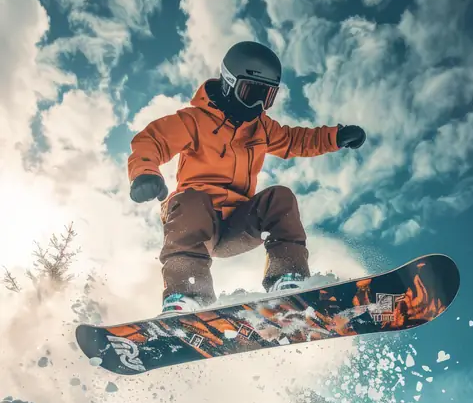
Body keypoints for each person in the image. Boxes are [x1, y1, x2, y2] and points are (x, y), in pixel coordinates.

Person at [128, 41, 366, 314]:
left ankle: (288, 279)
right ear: (229, 83)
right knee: (190, 199)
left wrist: (334, 137)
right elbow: (153, 140)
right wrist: (145, 173)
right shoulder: (194, 121)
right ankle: (187, 294)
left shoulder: (262, 128)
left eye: (267, 96)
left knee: (281, 197)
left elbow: (295, 139)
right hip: (196, 223)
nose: (257, 104)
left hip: (237, 225)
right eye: (250, 92)